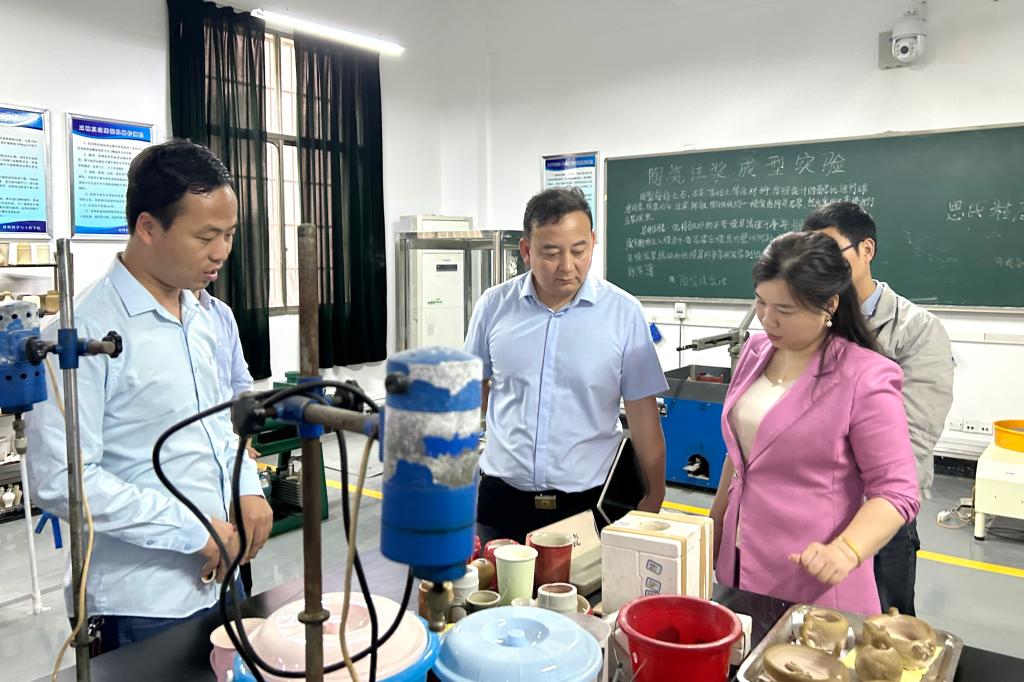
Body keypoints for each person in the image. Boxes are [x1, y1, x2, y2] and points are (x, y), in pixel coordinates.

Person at [27, 139, 273, 654]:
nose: (222, 252)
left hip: (226, 571)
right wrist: (195, 532)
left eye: (229, 235)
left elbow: (217, 422)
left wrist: (247, 486)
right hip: (145, 602)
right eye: (205, 236)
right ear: (147, 227)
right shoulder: (81, 333)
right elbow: (63, 479)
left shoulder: (203, 315)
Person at [710, 231, 920, 615]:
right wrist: (717, 520)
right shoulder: (756, 351)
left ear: (829, 305)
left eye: (785, 309)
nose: (768, 319)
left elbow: (897, 491)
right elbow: (740, 454)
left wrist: (846, 550)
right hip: (737, 561)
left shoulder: (865, 376)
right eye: (760, 301)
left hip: (812, 574)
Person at [464, 187, 668, 545]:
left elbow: (643, 416)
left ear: (592, 243)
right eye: (551, 253)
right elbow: (470, 394)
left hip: (588, 504)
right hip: (502, 501)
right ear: (526, 250)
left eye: (578, 250)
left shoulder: (623, 313)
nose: (567, 266)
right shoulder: (493, 307)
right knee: (496, 583)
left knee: (588, 584)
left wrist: (654, 495)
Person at [804, 201, 954, 616]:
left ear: (866, 249)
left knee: (882, 625)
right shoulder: (809, 322)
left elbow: (914, 436)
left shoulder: (917, 331)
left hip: (880, 510)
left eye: (832, 251)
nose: (820, 264)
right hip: (812, 502)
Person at [193, 286, 261, 596]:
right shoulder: (97, 319)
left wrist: (242, 449)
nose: (218, 261)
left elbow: (238, 386)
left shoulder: (220, 314)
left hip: (225, 470)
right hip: (152, 587)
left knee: (238, 590)